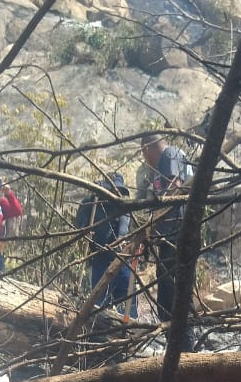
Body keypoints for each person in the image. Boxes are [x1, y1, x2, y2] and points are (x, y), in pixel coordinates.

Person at [140, 131, 194, 337]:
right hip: (169, 238)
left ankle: (184, 349)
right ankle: (174, 344)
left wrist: (150, 226)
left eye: (144, 155)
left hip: (177, 236)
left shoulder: (170, 155)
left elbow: (174, 192)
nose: (146, 161)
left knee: (176, 298)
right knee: (166, 298)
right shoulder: (164, 163)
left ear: (147, 149)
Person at [75, 173, 137, 316]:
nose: (115, 193)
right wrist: (85, 231)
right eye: (112, 189)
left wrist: (123, 240)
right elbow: (79, 225)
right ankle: (100, 328)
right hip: (99, 259)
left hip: (122, 260)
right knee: (100, 307)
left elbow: (125, 228)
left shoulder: (123, 206)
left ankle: (131, 327)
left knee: (128, 306)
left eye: (118, 190)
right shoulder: (91, 203)